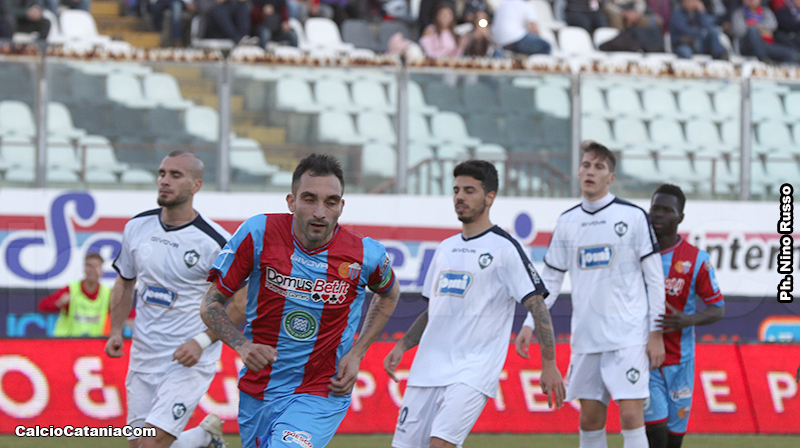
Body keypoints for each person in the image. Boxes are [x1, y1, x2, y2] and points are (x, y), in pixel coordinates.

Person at [200, 154, 401, 448]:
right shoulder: (258, 233)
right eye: (309, 199)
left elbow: (390, 294)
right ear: (291, 201)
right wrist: (242, 346)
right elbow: (210, 304)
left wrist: (357, 353)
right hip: (260, 387)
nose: (320, 212)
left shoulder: (365, 254)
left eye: (331, 202)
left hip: (322, 389)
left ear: (341, 206)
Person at [384, 160, 565, 448]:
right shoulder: (445, 248)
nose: (460, 197)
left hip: (472, 371)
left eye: (469, 191)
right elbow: (434, 311)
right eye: (456, 190)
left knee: (440, 445)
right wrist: (402, 345)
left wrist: (550, 364)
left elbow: (538, 306)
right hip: (426, 369)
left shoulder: (505, 249)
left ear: (490, 197)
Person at [516, 141, 665, 448]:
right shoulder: (567, 222)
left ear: (611, 177)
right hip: (587, 338)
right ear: (578, 171)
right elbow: (551, 281)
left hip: (629, 336)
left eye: (599, 167)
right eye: (586, 165)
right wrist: (530, 323)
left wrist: (656, 333)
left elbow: (655, 279)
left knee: (631, 417)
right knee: (590, 420)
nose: (590, 172)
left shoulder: (633, 216)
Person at [105, 151, 244, 448]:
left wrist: (202, 342)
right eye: (162, 173)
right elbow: (125, 281)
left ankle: (201, 437)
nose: (164, 181)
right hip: (143, 357)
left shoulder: (216, 241)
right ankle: (203, 437)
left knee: (152, 444)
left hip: (189, 359)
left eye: (175, 175)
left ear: (196, 185)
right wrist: (116, 330)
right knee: (140, 444)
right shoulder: (137, 227)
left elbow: (241, 301)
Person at [644, 184, 725, 448]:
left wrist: (688, 320)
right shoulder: (638, 255)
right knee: (656, 435)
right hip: (645, 359)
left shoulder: (696, 259)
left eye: (667, 210)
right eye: (655, 208)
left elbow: (717, 308)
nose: (658, 214)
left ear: (680, 217)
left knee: (673, 441)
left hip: (681, 363)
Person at [37, 253, 114, 337]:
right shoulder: (70, 290)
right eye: (89, 266)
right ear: (84, 269)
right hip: (67, 341)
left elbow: (122, 312)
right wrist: (59, 303)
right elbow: (42, 305)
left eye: (96, 266)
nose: (92, 270)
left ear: (101, 271)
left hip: (94, 342)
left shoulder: (108, 294)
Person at [732, 0, 800, 63]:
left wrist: (753, 25)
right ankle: (763, 59)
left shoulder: (766, 11)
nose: (752, 1)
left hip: (766, 45)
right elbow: (739, 31)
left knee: (793, 55)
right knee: (753, 31)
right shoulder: (739, 13)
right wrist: (760, 30)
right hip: (748, 46)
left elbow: (773, 25)